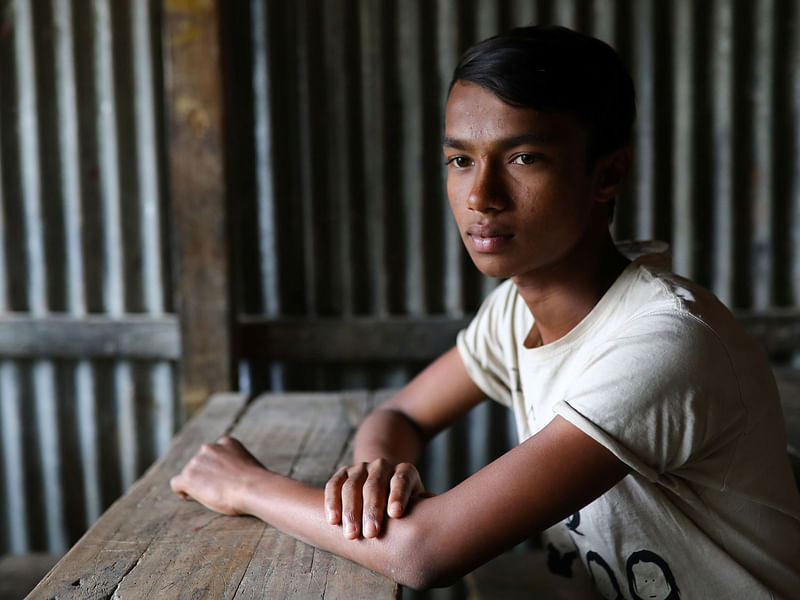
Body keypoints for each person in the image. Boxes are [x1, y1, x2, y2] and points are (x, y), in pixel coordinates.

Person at [171, 25, 800, 596]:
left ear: (608, 174)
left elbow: (426, 552)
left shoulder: (663, 343)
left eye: (523, 158)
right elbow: (401, 413)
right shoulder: (515, 310)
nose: (481, 196)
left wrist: (245, 485)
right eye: (460, 160)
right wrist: (377, 474)